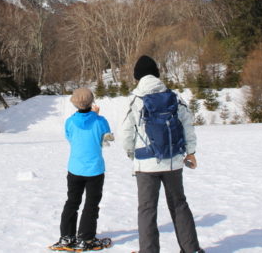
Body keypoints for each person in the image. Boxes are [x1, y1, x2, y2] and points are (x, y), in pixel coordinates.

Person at [120, 55, 204, 253]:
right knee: (179, 204)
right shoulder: (174, 97)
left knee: (147, 209)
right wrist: (190, 152)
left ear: (137, 77)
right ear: (157, 74)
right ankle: (191, 249)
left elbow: (126, 133)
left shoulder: (135, 100)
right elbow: (187, 125)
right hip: (173, 161)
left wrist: (131, 154)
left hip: (145, 164)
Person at [50, 87, 114, 251]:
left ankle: (66, 236)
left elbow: (70, 138)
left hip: (75, 168)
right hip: (95, 170)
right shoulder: (101, 121)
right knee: (91, 204)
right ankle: (86, 238)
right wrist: (96, 116)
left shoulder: (70, 122)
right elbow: (106, 138)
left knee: (72, 202)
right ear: (91, 102)